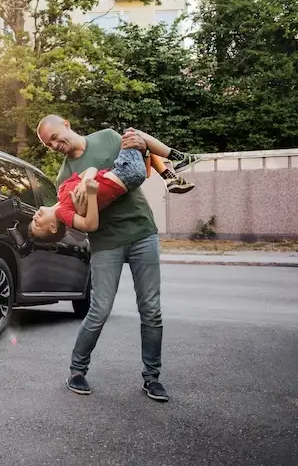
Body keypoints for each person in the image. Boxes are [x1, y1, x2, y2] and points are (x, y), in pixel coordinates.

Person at [36, 115, 195, 402]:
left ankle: (152, 378)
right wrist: (90, 193)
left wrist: (143, 149)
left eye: (57, 137)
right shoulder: (63, 178)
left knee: (151, 309)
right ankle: (77, 370)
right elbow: (83, 218)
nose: (56, 145)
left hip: (141, 231)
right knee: (99, 310)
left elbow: (140, 172)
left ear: (67, 124)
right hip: (105, 242)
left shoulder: (108, 138)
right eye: (50, 145)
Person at [30, 128, 198, 239]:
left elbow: (92, 169)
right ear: (52, 228)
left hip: (123, 170)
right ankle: (177, 160)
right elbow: (91, 225)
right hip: (126, 175)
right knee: (132, 134)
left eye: (33, 219)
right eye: (37, 224)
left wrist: (86, 180)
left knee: (138, 143)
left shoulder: (62, 189)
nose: (34, 217)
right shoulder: (64, 214)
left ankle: (170, 175)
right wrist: (91, 194)